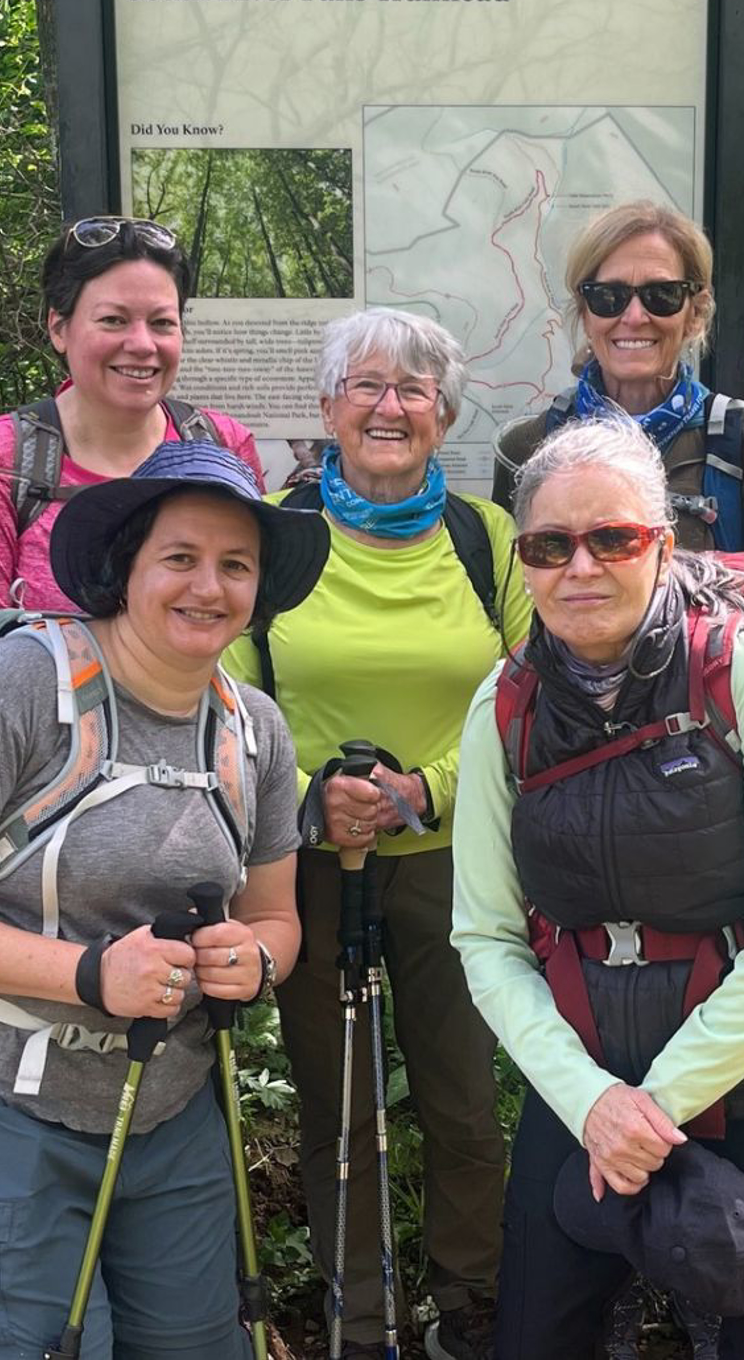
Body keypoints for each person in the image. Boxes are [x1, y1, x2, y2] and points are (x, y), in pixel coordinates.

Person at [0, 440, 324, 1358]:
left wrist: (256, 958)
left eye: (236, 565)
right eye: (180, 558)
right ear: (124, 569)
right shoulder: (8, 690)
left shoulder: (254, 729)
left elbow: (278, 917)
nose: (209, 586)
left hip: (168, 1099)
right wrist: (88, 971)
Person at [452, 414, 744, 1359]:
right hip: (585, 1070)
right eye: (550, 546)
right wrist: (592, 1102)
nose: (580, 567)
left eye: (614, 538)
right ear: (524, 560)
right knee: (538, 1333)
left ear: (663, 545)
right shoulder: (503, 705)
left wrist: (655, 1103)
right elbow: (484, 935)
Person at [220, 307, 530, 1360]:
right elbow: (231, 691)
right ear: (326, 408)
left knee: (460, 1096)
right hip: (304, 861)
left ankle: (468, 1299)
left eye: (413, 389)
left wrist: (425, 792)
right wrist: (310, 797)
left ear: (443, 414)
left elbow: (529, 692)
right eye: (367, 386)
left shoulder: (487, 540)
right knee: (334, 1097)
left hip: (454, 860)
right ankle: (359, 1304)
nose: (389, 407)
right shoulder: (270, 533)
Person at [0, 215, 265, 620]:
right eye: (114, 320)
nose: (143, 345)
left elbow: (256, 616)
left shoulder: (223, 445)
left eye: (162, 323)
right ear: (59, 327)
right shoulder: (4, 457)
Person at [490, 200, 744, 554]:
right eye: (608, 296)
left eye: (661, 295)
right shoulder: (529, 448)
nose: (634, 316)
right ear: (585, 314)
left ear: (695, 313)